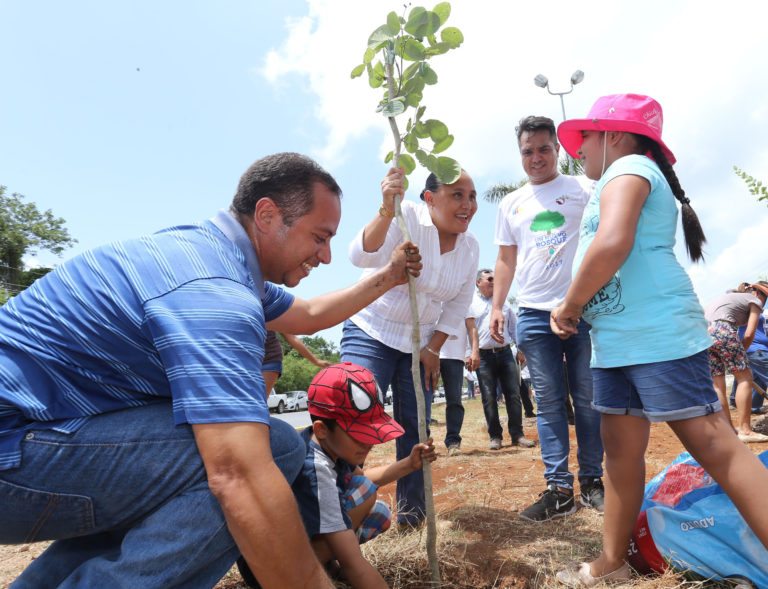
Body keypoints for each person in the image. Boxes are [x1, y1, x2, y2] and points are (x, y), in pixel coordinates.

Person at [0, 152, 423, 588]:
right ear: (267, 214)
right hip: (13, 447)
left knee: (176, 470)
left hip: (37, 433)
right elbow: (239, 476)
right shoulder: (213, 293)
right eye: (319, 237)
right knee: (272, 451)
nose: (327, 255)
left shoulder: (212, 258)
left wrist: (388, 276)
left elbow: (311, 312)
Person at [550, 93, 768, 586]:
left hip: (658, 335)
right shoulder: (620, 171)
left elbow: (612, 243)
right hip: (618, 343)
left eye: (585, 137)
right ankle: (612, 562)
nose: (578, 148)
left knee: (716, 445)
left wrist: (570, 305)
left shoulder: (630, 168)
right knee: (619, 451)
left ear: (614, 135)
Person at [341, 167, 480, 527]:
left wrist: (433, 349)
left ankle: (412, 518)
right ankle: (337, 514)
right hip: (371, 329)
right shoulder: (407, 219)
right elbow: (361, 255)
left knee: (415, 428)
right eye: (457, 195)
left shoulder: (470, 247)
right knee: (356, 415)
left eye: (472, 196)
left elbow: (458, 304)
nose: (467, 205)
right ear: (429, 198)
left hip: (418, 345)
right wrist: (387, 208)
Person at [491, 116, 604, 521]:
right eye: (527, 151)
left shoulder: (585, 189)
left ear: (558, 149)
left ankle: (593, 483)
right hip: (534, 316)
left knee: (589, 399)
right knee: (549, 402)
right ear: (520, 154)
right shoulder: (511, 203)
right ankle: (559, 490)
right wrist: (497, 306)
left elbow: (605, 240)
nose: (536, 158)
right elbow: (506, 258)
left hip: (584, 311)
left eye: (543, 148)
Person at [238, 362, 436, 589]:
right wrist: (349, 563)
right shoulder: (316, 470)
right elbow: (353, 563)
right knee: (365, 494)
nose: (369, 443)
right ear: (322, 429)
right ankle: (303, 575)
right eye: (358, 434)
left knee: (378, 511)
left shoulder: (326, 444)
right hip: (269, 571)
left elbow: (365, 477)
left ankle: (323, 565)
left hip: (283, 548)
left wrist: (409, 464)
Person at [471, 269, 536, 450]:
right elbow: (469, 332)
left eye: (495, 278)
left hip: (506, 353)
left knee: (513, 395)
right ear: (478, 282)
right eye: (489, 279)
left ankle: (517, 435)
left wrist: (520, 348)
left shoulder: (503, 303)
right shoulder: (471, 304)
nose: (493, 281)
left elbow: (515, 328)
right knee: (488, 397)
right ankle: (495, 436)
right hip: (483, 357)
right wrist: (470, 353)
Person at [705, 282, 768, 441]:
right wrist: (742, 356)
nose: (764, 302)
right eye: (765, 297)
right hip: (723, 330)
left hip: (704, 334)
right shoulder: (754, 300)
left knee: (717, 384)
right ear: (758, 293)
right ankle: (746, 431)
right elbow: (748, 334)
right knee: (745, 378)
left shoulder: (729, 297)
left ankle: (729, 432)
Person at [439, 315, 480, 456]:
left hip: (454, 356)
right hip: (428, 353)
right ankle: (423, 441)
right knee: (424, 400)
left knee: (454, 401)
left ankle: (453, 442)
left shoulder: (464, 296)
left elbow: (471, 327)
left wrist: (474, 351)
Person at [262, 331, 331, 395]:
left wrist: (316, 361)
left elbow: (291, 337)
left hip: (268, 359)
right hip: (252, 358)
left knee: (258, 400)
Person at [730, 308, 768, 414]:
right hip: (756, 350)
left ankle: (754, 406)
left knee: (757, 379)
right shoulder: (748, 309)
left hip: (755, 350)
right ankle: (735, 401)